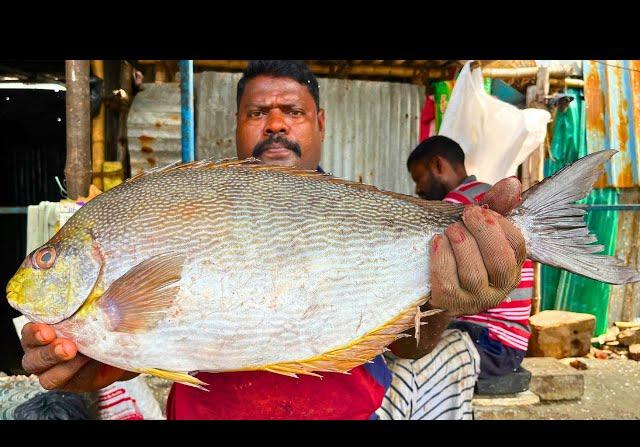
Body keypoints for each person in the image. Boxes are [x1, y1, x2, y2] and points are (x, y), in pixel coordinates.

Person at [19, 61, 526, 420]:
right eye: (258, 112)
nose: (276, 123)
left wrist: (445, 303)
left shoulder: (369, 215)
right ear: (237, 125)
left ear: (321, 123)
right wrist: (98, 359)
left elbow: (408, 347)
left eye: (293, 111)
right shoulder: (187, 198)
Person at [407, 135, 533, 379]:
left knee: (398, 366)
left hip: (489, 341)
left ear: (438, 166)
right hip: (511, 343)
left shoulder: (456, 207)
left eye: (419, 178)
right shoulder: (484, 195)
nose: (418, 189)